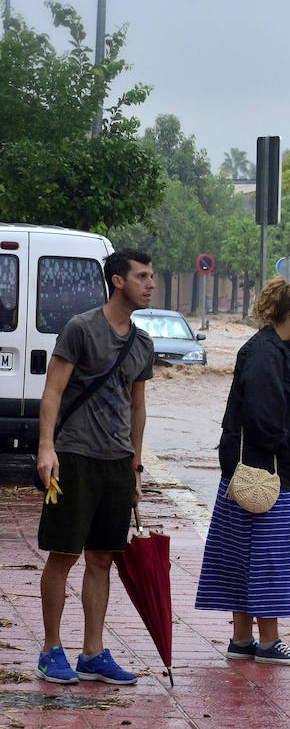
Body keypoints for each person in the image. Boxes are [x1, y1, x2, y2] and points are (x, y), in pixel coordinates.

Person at [34, 249, 156, 685]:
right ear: (118, 280)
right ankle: (50, 649)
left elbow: (138, 407)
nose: (151, 284)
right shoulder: (81, 329)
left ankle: (93, 652)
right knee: (63, 554)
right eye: (142, 276)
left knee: (103, 558)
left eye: (152, 276)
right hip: (76, 457)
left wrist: (136, 467)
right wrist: (47, 449)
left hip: (118, 463)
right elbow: (53, 391)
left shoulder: (142, 342)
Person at [194, 277, 290, 666]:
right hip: (264, 475)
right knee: (268, 557)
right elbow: (264, 419)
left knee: (242, 555)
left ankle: (242, 639)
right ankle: (268, 642)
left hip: (247, 472)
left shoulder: (273, 349)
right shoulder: (267, 353)